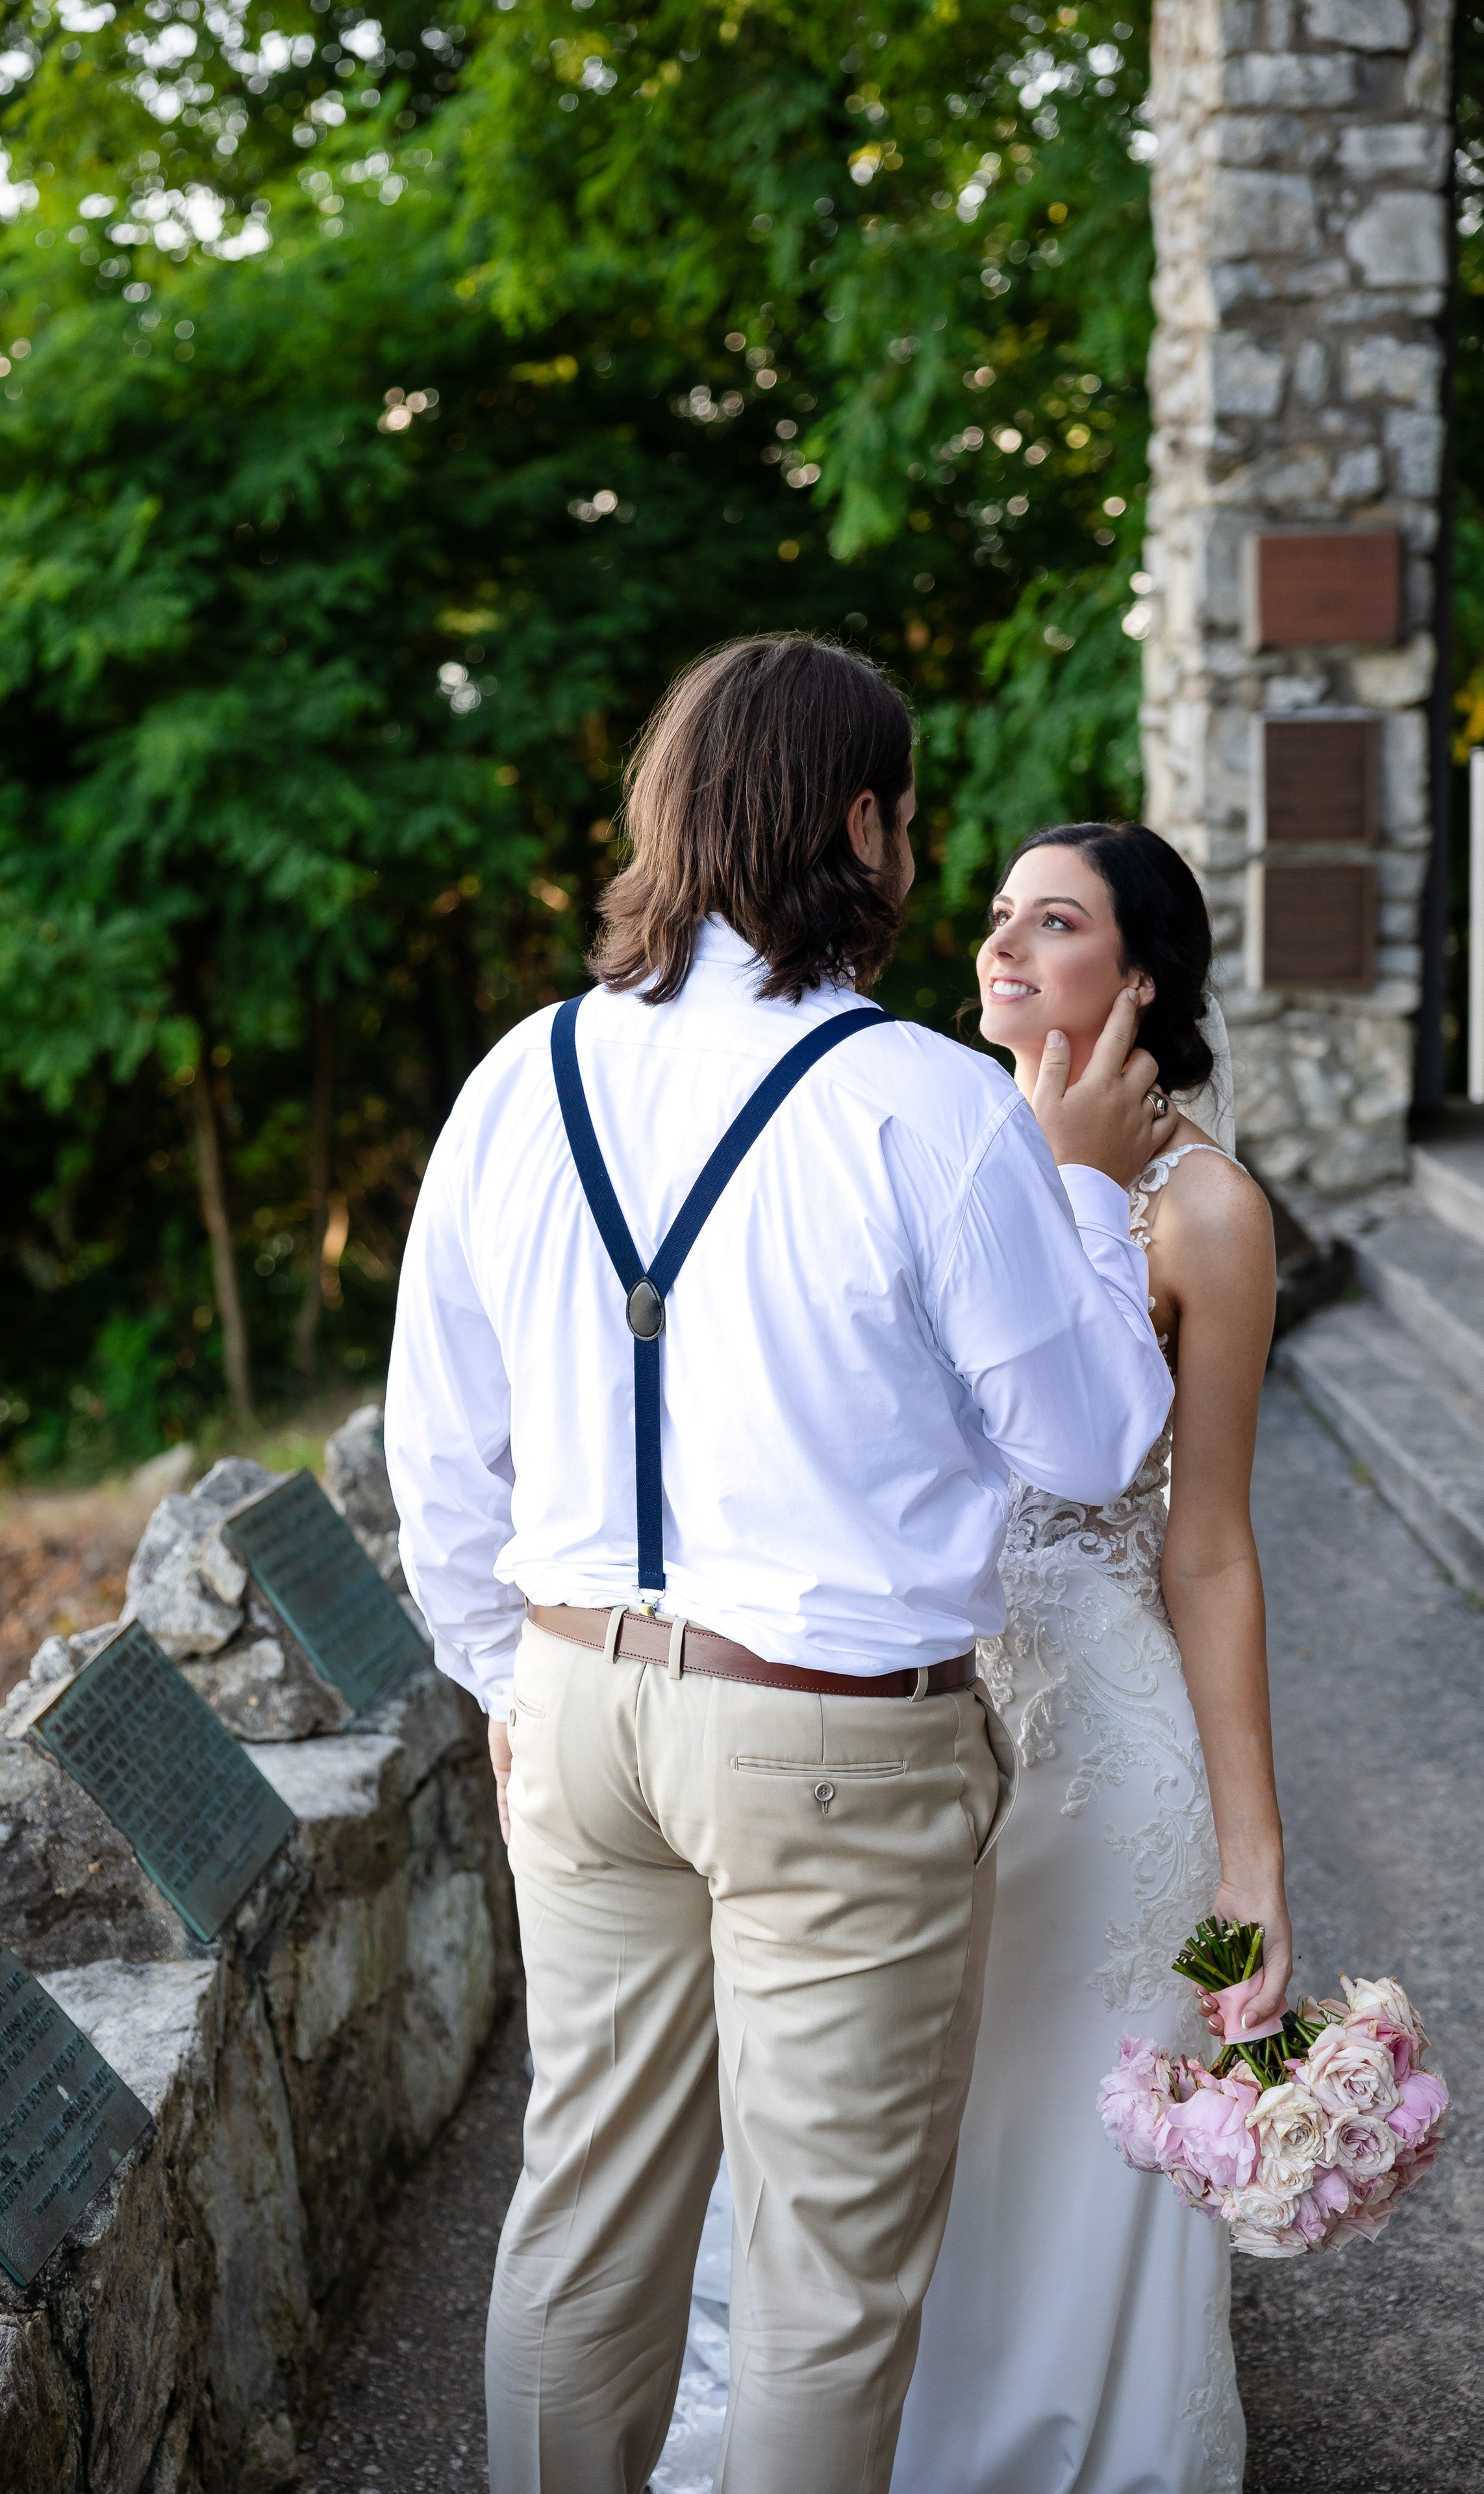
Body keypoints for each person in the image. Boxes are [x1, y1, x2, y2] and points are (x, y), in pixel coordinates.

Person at [384, 637, 1176, 2494]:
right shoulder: (928, 1104)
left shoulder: (524, 1075)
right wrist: (1071, 1182)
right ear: (859, 825)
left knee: (581, 2222)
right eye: (905, 819)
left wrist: (506, 1679)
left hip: (578, 1708)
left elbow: (439, 1439)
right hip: (835, 1741)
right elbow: (1084, 1441)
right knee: (825, 2279)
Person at [888, 821, 1286, 2494]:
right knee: (911, 2134)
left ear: (1138, 981)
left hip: (1104, 1748)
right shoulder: (919, 1136)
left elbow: (1206, 1547)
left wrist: (1253, 1862)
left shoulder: (1206, 1215)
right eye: (993, 916)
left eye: (1051, 923)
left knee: (1079, 2139)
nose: (999, 945)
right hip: (899, 1711)